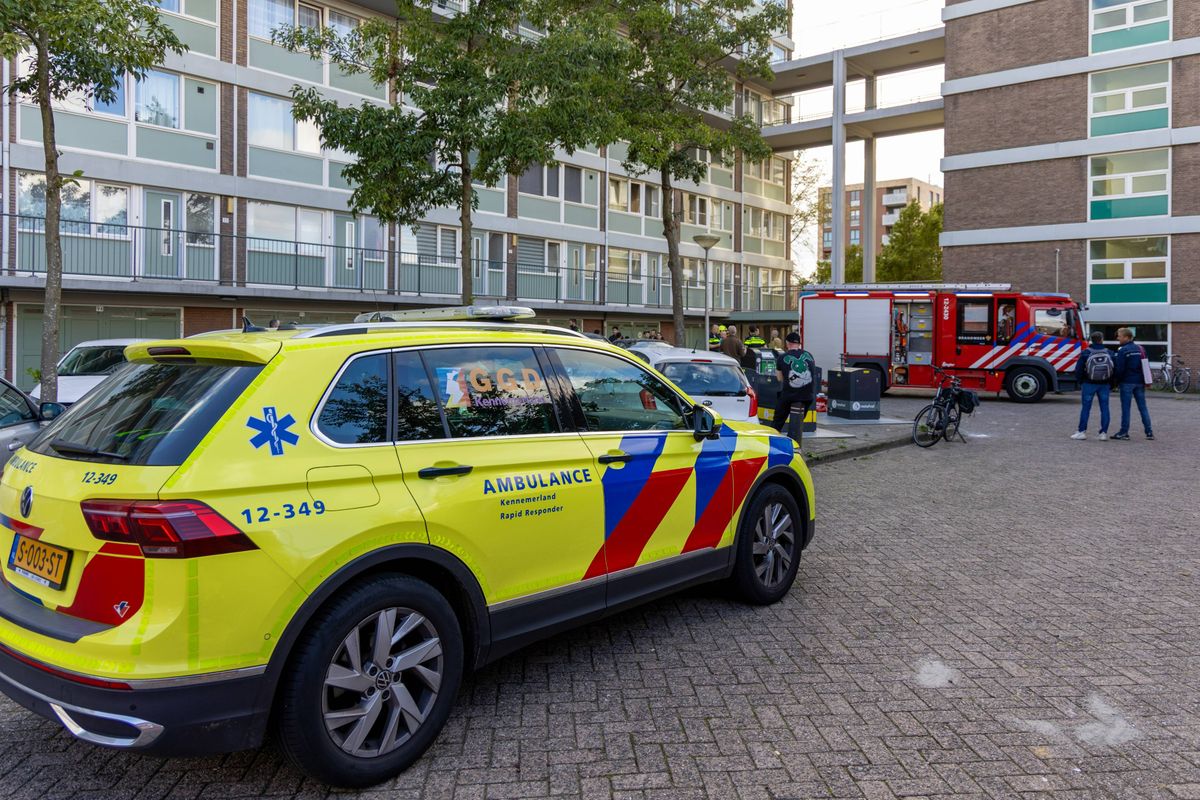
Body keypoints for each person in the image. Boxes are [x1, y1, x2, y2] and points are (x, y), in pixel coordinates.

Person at [771, 332, 816, 440]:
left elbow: (779, 378)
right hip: (808, 397)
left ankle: (772, 439)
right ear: (799, 343)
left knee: (778, 420)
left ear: (787, 343)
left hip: (789, 396)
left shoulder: (782, 357)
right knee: (797, 421)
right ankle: (794, 439)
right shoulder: (809, 355)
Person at [1071, 331, 1114, 441]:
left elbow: (1078, 369)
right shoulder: (1109, 352)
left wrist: (1081, 381)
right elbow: (1115, 369)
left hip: (1088, 383)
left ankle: (1082, 432)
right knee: (1104, 408)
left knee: (1086, 408)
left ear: (1091, 340)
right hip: (1104, 384)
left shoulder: (1086, 352)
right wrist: (1111, 383)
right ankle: (1103, 433)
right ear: (1102, 339)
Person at [1112, 327, 1153, 441]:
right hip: (1139, 382)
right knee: (1143, 407)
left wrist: (1115, 382)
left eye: (1119, 336)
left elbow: (1120, 369)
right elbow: (1145, 365)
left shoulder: (1123, 350)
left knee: (1126, 408)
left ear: (1126, 337)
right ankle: (1149, 432)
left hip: (1127, 382)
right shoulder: (1141, 349)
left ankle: (1124, 432)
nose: (1117, 338)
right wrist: (1147, 381)